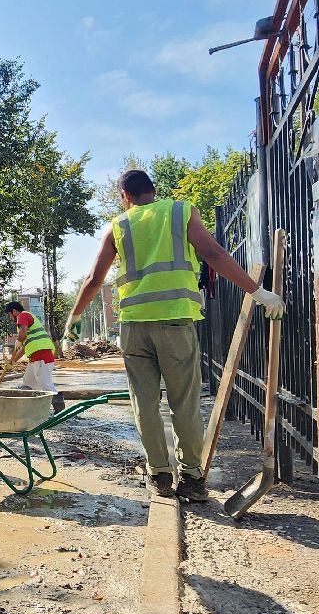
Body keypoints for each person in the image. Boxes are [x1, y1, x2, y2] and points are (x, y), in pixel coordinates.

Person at [66, 169, 283, 502]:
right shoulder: (181, 211)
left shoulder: (116, 227)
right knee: (184, 403)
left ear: (125, 196)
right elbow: (214, 255)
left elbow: (94, 279)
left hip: (134, 327)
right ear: (153, 191)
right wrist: (259, 293)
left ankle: (160, 475)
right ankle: (193, 480)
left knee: (145, 404)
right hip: (176, 326)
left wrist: (74, 319)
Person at [3, 301, 63, 410]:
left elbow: (22, 335)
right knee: (29, 382)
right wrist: (12, 362)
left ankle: (59, 408)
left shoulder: (22, 315)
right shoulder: (26, 320)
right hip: (36, 357)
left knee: (45, 384)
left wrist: (19, 340)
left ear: (14, 311)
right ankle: (31, 408)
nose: (10, 318)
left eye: (9, 314)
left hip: (42, 355)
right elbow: (24, 348)